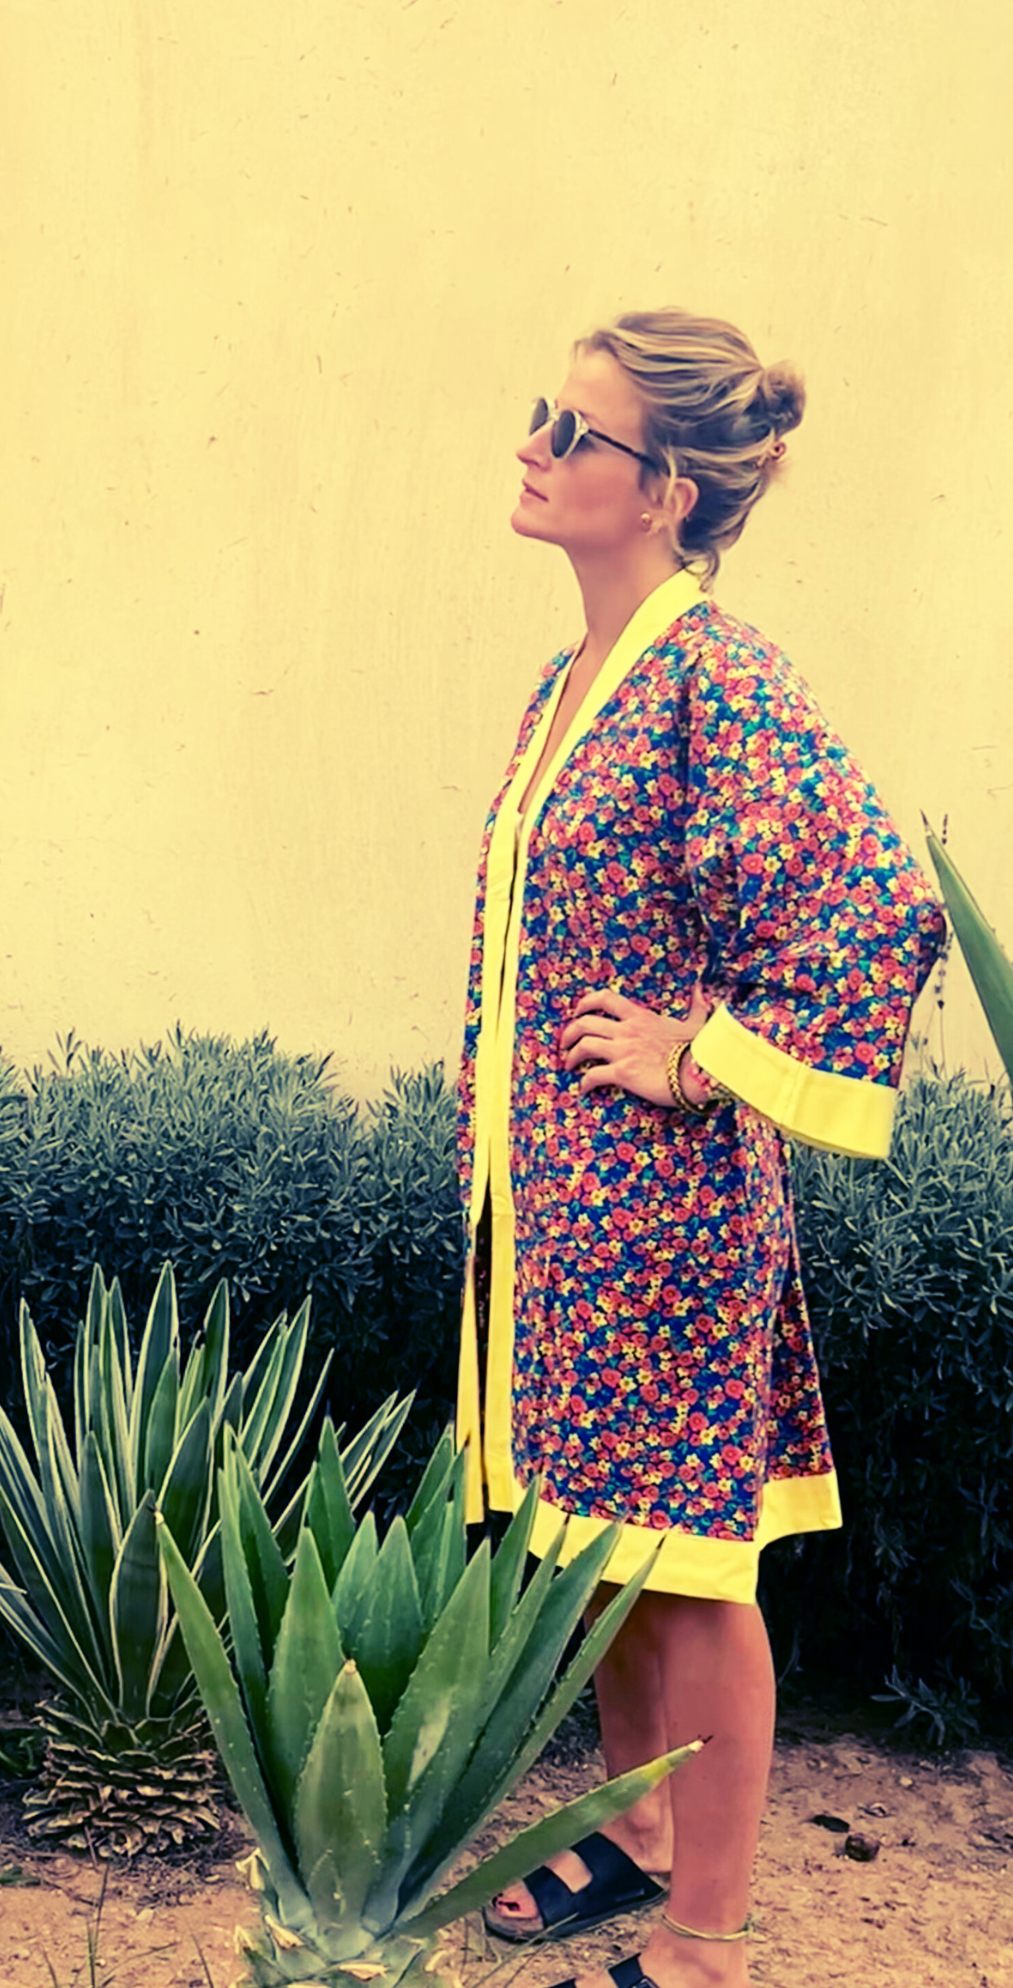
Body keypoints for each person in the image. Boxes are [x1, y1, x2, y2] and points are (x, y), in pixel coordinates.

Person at [454, 309, 945, 1988]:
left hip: (661, 1217)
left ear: (663, 490)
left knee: (686, 1564)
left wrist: (701, 1055)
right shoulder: (577, 679)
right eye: (543, 414)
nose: (532, 443)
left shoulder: (718, 677)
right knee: (597, 1550)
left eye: (572, 430)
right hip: (561, 1214)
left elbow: (877, 901)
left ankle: (711, 1938)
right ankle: (642, 1828)